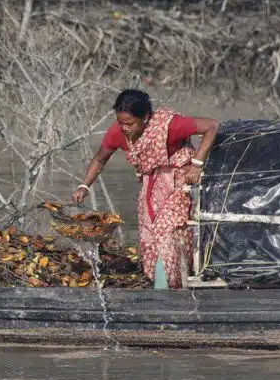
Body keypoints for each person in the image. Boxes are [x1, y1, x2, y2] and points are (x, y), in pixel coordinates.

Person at [71, 90, 219, 288]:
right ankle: (159, 285)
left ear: (146, 118)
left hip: (178, 185)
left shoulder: (169, 126)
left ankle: (174, 285)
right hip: (150, 188)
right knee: (149, 239)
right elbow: (100, 158)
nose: (125, 128)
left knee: (168, 233)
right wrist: (84, 186)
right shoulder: (118, 132)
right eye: (121, 122)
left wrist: (197, 163)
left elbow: (212, 126)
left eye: (130, 123)